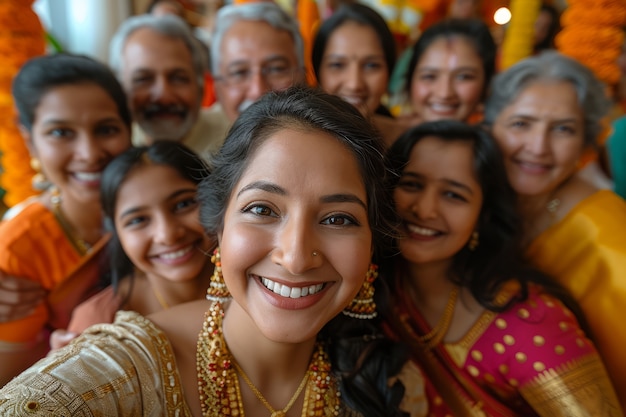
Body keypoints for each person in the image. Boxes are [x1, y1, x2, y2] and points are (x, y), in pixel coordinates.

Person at [0, 87, 414, 416]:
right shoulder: (126, 368)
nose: (295, 256)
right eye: (262, 210)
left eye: (338, 219)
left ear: (372, 244)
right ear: (218, 226)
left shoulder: (383, 382)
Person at [382, 120, 622, 415]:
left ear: (483, 215)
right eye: (411, 184)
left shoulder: (531, 324)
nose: (424, 208)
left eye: (453, 195)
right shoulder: (374, 290)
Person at [483, 51, 626, 409]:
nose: (537, 147)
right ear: (490, 126)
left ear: (586, 144)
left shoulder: (606, 233)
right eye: (521, 124)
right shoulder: (485, 201)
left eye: (563, 129)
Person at [0, 53, 132, 386]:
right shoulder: (21, 246)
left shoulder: (164, 209)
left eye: (106, 129)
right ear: (30, 142)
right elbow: (10, 383)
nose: (88, 153)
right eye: (61, 132)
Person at [50, 142, 214, 350]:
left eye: (183, 204)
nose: (167, 235)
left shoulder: (259, 283)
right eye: (138, 220)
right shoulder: (100, 321)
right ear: (116, 232)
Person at [109, 14, 228, 160]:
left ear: (201, 86)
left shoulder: (236, 138)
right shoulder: (111, 149)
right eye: (143, 79)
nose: (164, 95)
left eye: (178, 78)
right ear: (121, 88)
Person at [312, 3, 400, 146]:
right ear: (317, 71)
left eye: (371, 65)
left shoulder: (408, 145)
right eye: (337, 65)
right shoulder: (295, 142)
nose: (354, 84)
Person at [209, 2, 306, 124]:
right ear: (217, 87)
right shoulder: (196, 139)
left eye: (276, 69)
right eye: (239, 72)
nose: (258, 91)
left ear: (302, 75)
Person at [404, 18, 495, 125]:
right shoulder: (385, 137)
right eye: (429, 76)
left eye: (463, 77)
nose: (445, 93)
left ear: (487, 84)